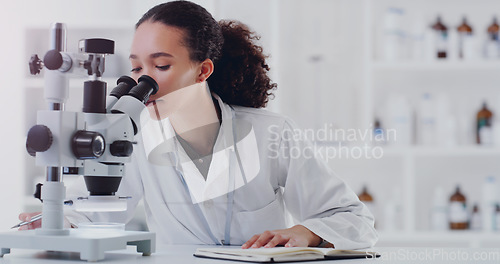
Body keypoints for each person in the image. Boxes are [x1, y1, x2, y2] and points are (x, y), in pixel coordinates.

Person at [19, 0, 377, 249]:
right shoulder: (132, 137)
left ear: (202, 70)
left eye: (161, 66)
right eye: (137, 69)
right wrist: (58, 222)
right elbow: (99, 215)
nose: (145, 83)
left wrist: (306, 232)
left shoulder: (272, 132)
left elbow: (353, 218)